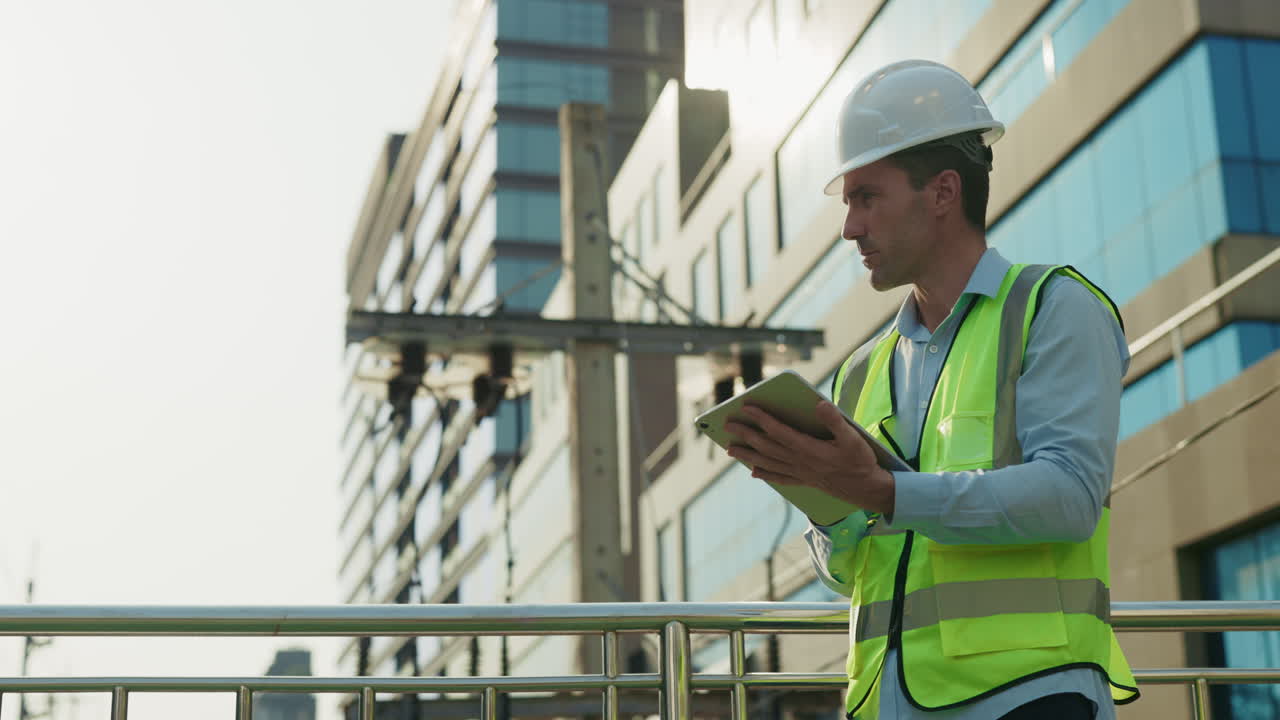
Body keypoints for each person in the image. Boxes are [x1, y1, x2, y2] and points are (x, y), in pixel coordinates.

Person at [721, 59, 1141, 719]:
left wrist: (883, 491)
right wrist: (826, 502)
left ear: (943, 192)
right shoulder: (861, 370)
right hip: (886, 704)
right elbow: (849, 573)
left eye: (867, 197)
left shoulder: (1054, 307)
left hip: (1029, 697)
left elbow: (1070, 497)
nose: (849, 228)